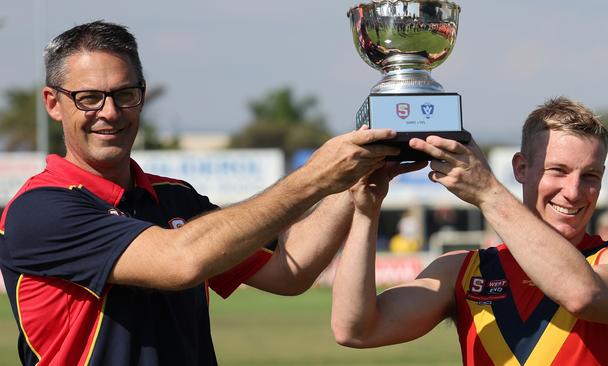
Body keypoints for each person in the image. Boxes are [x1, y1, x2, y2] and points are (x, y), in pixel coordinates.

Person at [0, 21, 406, 365]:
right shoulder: (40, 210)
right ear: (53, 104)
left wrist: (354, 182)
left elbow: (289, 272)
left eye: (125, 95)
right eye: (88, 98)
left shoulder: (175, 198)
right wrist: (315, 176)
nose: (109, 112)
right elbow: (181, 261)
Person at [331, 97, 608, 365]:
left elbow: (581, 295)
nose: (574, 191)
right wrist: (365, 210)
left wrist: (487, 192)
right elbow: (355, 329)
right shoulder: (463, 270)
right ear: (521, 168)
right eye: (558, 171)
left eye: (590, 176)